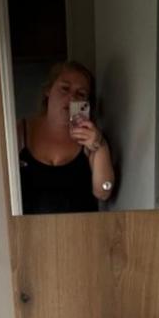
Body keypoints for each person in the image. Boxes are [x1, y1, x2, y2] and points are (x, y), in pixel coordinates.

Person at [17, 61, 115, 214]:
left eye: (80, 94)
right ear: (48, 90)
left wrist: (100, 146)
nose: (72, 97)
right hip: (29, 228)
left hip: (83, 228)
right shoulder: (21, 131)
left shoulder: (91, 139)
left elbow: (104, 191)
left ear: (86, 103)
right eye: (65, 88)